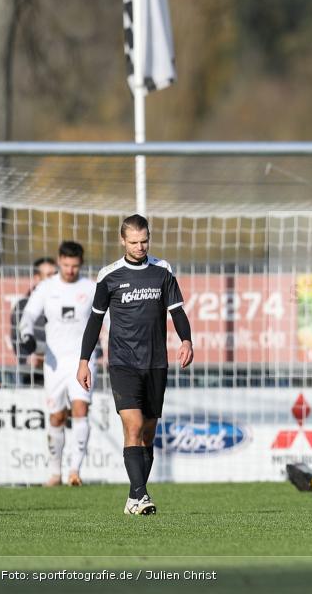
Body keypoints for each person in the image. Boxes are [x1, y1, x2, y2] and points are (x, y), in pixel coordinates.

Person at [78, 214, 193, 515]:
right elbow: (95, 321)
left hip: (156, 362)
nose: (140, 247)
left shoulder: (163, 270)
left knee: (148, 434)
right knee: (134, 425)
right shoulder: (109, 276)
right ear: (123, 241)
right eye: (134, 242)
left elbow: (177, 312)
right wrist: (84, 361)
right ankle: (142, 497)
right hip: (123, 362)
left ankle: (133, 497)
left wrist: (186, 340)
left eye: (144, 241)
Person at [18, 241, 98, 487]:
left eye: (74, 266)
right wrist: (27, 335)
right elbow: (29, 315)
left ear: (81, 264)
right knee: (56, 417)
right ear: (59, 261)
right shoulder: (46, 287)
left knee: (81, 410)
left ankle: (75, 471)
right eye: (66, 265)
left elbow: (108, 319)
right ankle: (55, 473)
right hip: (54, 362)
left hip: (83, 359)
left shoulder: (92, 287)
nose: (70, 270)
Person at [10, 257, 57, 385]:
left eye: (55, 274)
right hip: (33, 372)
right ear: (36, 278)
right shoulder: (23, 306)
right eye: (49, 275)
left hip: (63, 367)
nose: (54, 279)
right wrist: (31, 356)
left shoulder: (64, 303)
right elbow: (17, 339)